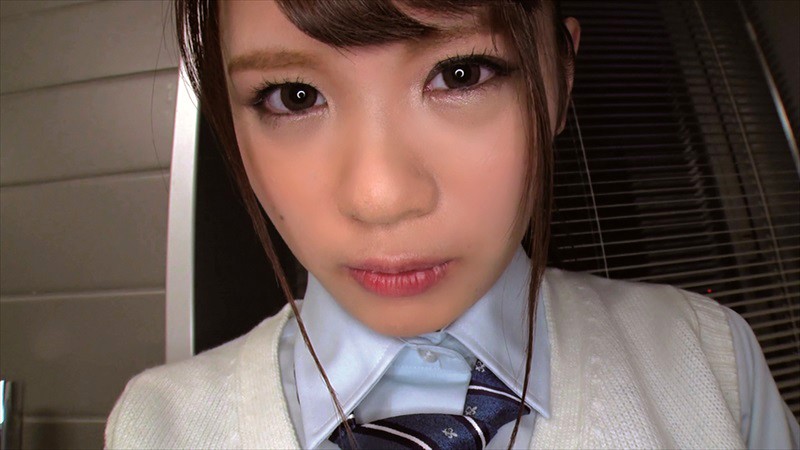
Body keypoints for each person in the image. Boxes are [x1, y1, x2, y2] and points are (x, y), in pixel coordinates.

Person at [105, 0, 800, 448]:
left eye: (462, 74)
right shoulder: (160, 427)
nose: (381, 197)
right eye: (294, 95)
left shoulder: (710, 363)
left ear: (559, 76)